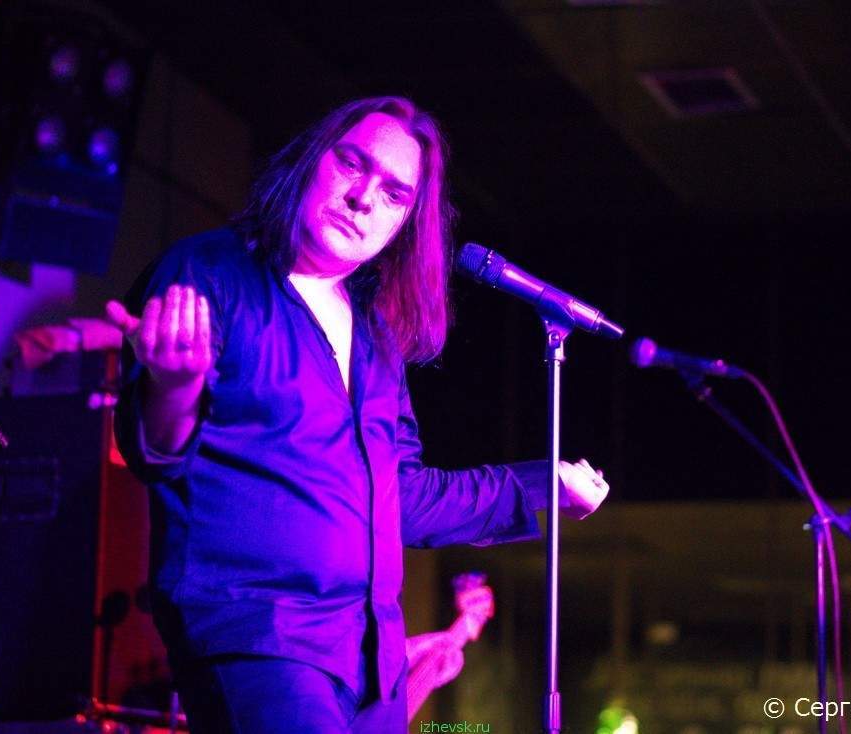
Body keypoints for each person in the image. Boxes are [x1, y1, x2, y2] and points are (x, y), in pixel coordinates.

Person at [106, 96, 609, 733]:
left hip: (371, 661)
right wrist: (175, 387)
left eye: (394, 194)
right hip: (258, 631)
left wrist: (543, 486)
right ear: (311, 161)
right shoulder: (210, 272)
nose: (364, 198)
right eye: (352, 165)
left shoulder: (376, 337)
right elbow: (152, 451)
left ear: (406, 224)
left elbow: (404, 499)